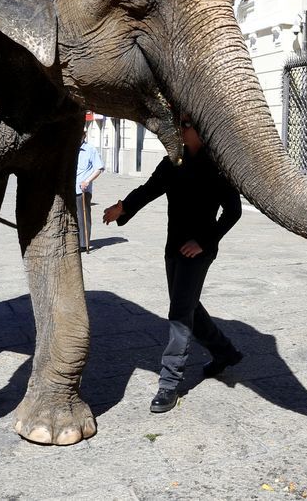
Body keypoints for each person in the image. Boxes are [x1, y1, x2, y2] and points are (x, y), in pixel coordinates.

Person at [102, 114, 243, 413]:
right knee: (189, 306)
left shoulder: (219, 168)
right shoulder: (173, 162)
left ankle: (169, 383)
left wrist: (204, 241)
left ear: (201, 130)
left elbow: (233, 212)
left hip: (198, 251)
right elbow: (149, 189)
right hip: (173, 247)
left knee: (179, 313)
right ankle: (224, 352)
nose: (180, 128)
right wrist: (123, 208)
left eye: (186, 124)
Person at [75, 139, 104, 252]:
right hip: (70, 189)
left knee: (83, 216)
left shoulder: (90, 149)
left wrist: (87, 181)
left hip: (82, 189)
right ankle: (75, 240)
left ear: (84, 135)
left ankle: (84, 243)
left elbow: (98, 168)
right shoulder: (71, 148)